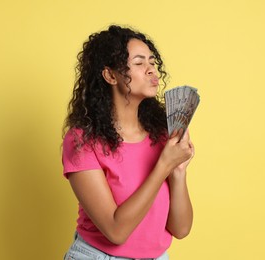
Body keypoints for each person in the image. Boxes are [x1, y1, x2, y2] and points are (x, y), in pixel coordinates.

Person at [62, 25, 194, 260]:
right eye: (139, 63)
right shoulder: (82, 141)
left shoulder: (162, 134)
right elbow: (116, 231)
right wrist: (163, 166)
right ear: (111, 75)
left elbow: (181, 229)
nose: (151, 69)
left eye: (152, 62)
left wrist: (178, 172)